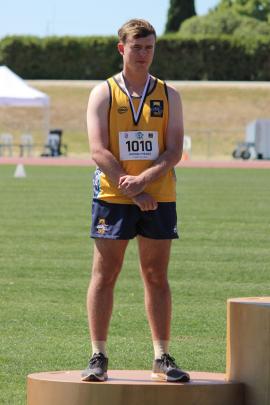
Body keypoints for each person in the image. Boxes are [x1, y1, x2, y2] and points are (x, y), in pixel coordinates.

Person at [81, 18, 190, 383]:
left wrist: (145, 181)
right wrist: (134, 190)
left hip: (159, 195)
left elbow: (173, 149)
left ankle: (161, 355)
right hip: (113, 195)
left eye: (149, 47)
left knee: (156, 275)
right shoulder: (104, 93)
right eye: (137, 47)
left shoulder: (168, 94)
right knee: (105, 274)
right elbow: (98, 150)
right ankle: (98, 355)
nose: (143, 54)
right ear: (122, 49)